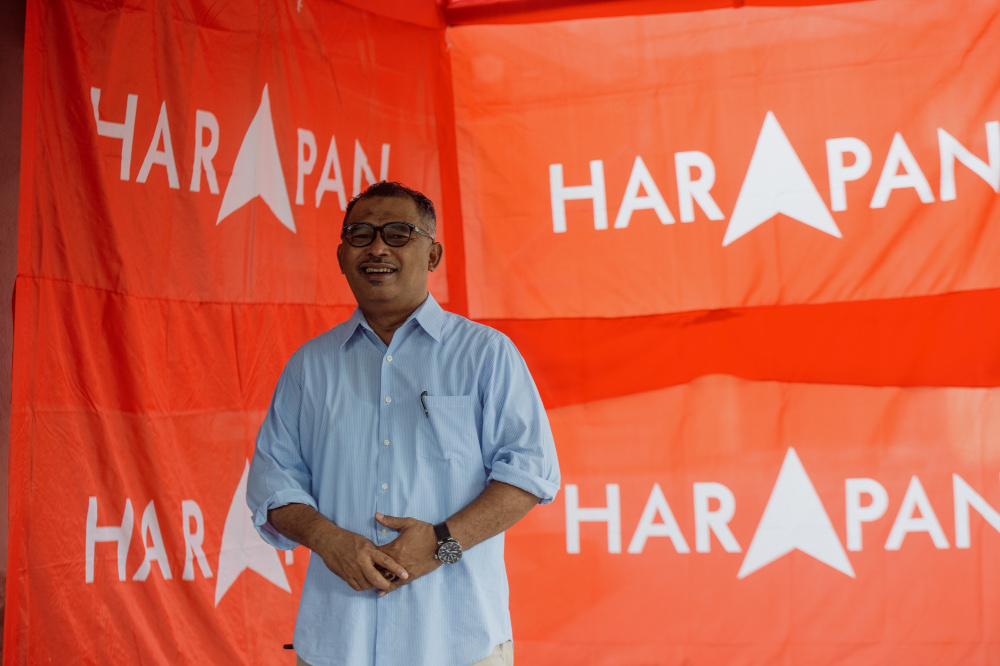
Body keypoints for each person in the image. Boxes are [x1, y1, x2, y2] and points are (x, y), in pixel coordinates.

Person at [246, 181, 560, 666]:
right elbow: (272, 483)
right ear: (341, 255)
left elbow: (530, 474)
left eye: (398, 233)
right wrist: (328, 541)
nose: (376, 247)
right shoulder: (310, 365)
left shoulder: (485, 354)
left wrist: (442, 547)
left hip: (458, 642)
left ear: (432, 255)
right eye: (360, 234)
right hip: (336, 643)